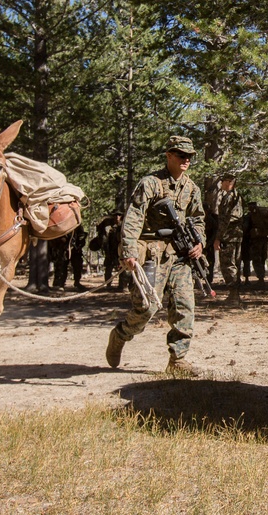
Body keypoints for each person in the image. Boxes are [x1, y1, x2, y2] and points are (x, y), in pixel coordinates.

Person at [105, 135, 206, 375]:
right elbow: (134, 217)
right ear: (169, 156)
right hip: (152, 254)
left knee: (185, 306)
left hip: (180, 256)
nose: (186, 160)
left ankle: (177, 359)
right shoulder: (151, 183)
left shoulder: (191, 188)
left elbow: (199, 219)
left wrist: (199, 242)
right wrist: (129, 250)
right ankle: (121, 335)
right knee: (146, 308)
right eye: (181, 155)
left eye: (189, 156)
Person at [215, 172, 244, 304]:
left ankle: (233, 295)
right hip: (237, 235)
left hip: (229, 236)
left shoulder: (229, 197)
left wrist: (218, 238)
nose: (221, 184)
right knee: (235, 264)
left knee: (228, 265)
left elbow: (225, 220)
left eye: (223, 181)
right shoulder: (237, 196)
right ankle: (235, 294)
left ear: (228, 182)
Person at [90, 210, 124, 290]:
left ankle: (122, 285)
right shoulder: (106, 224)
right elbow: (101, 234)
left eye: (119, 215)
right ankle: (108, 284)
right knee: (108, 267)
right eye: (116, 215)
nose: (117, 217)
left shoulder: (123, 225)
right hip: (109, 249)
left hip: (119, 250)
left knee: (122, 267)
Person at [49, 224, 86, 290]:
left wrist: (79, 244)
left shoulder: (77, 224)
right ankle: (60, 283)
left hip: (75, 249)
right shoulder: (62, 223)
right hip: (63, 249)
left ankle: (77, 282)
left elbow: (81, 235)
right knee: (61, 266)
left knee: (77, 265)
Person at [243, 201, 268, 285]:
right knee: (262, 258)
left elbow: (245, 228)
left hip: (254, 240)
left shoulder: (248, 217)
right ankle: (261, 277)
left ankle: (260, 278)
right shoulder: (263, 215)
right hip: (264, 239)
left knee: (256, 258)